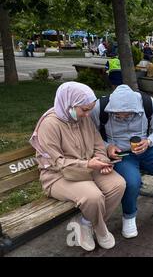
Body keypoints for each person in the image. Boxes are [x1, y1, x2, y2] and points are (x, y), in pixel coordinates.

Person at [29, 82, 126, 251]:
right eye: (85, 109)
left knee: (118, 185)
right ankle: (101, 229)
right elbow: (57, 163)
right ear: (69, 104)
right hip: (57, 176)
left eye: (90, 109)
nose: (88, 115)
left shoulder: (81, 118)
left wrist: (102, 161)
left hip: (87, 168)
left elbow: (98, 145)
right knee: (93, 197)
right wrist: (88, 164)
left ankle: (85, 223)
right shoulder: (50, 124)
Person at [90, 85, 153, 239]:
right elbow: (91, 135)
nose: (122, 118)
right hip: (121, 154)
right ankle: (129, 216)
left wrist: (149, 141)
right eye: (117, 116)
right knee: (132, 181)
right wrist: (107, 147)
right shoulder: (100, 107)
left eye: (127, 115)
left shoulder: (148, 103)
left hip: (146, 149)